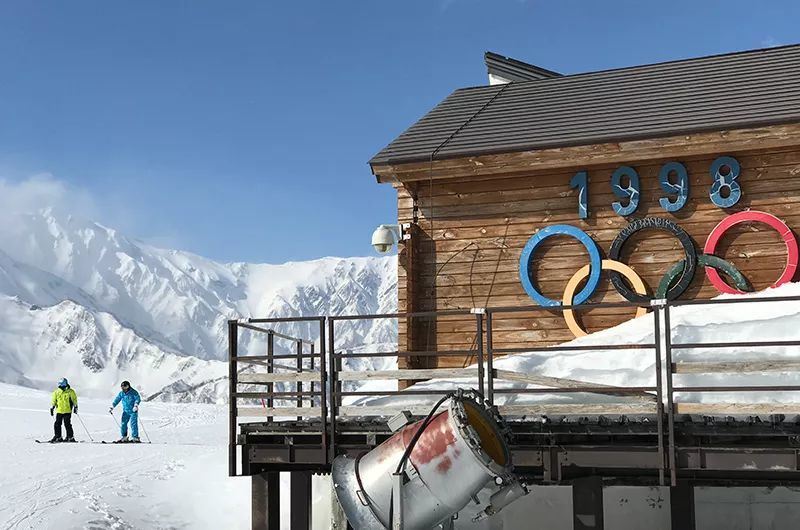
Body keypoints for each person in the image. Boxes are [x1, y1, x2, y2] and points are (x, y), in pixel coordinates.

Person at [50, 378, 78, 443]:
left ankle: (70, 437)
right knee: (57, 424)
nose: (60, 386)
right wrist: (52, 407)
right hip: (59, 411)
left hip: (67, 411)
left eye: (61, 384)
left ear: (65, 384)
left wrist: (75, 407)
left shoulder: (70, 391)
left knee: (67, 424)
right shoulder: (56, 392)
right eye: (59, 384)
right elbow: (53, 400)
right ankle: (58, 436)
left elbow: (74, 400)